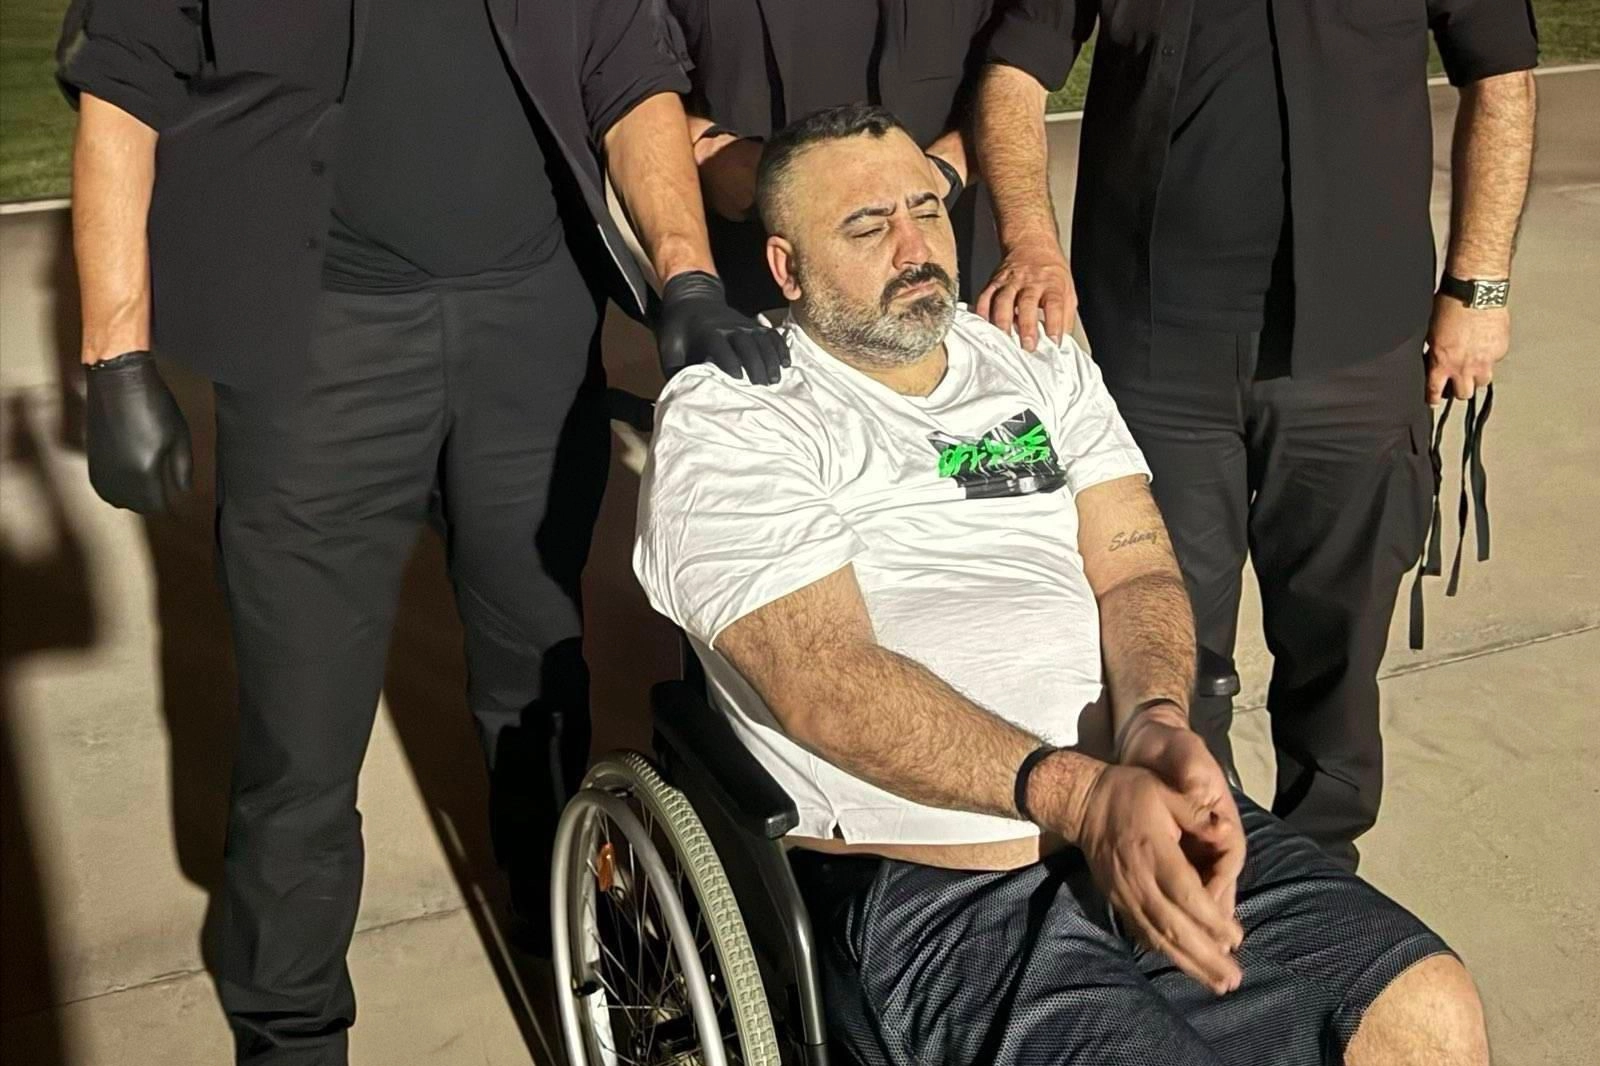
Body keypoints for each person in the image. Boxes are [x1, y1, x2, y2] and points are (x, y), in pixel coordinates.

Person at [634, 105, 1489, 1066]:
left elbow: (1135, 565)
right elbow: (820, 677)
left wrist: (1155, 719)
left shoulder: (1031, 355)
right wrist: (1077, 797)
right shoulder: (736, 412)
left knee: (1428, 1005)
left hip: (1138, 807)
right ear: (787, 269)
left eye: (927, 209)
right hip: (939, 884)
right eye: (869, 227)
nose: (916, 249)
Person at [56, 0, 786, 1062]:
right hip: (315, 341)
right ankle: (290, 1026)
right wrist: (115, 355)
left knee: (539, 666)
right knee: (300, 728)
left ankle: (561, 914)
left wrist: (687, 273)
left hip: (532, 324)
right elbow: (122, 90)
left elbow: (632, 75)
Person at [1053, 0, 1539, 868]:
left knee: (1337, 651)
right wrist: (1030, 241)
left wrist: (1481, 286)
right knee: (1164, 646)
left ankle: (1321, 869)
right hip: (1158, 345)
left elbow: (1500, 68)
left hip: (1357, 343)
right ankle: (1199, 864)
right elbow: (1018, 59)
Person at [666, 0, 1078, 352]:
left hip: (949, 231)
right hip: (750, 250)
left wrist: (949, 168)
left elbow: (1027, 50)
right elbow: (635, 71)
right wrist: (703, 146)